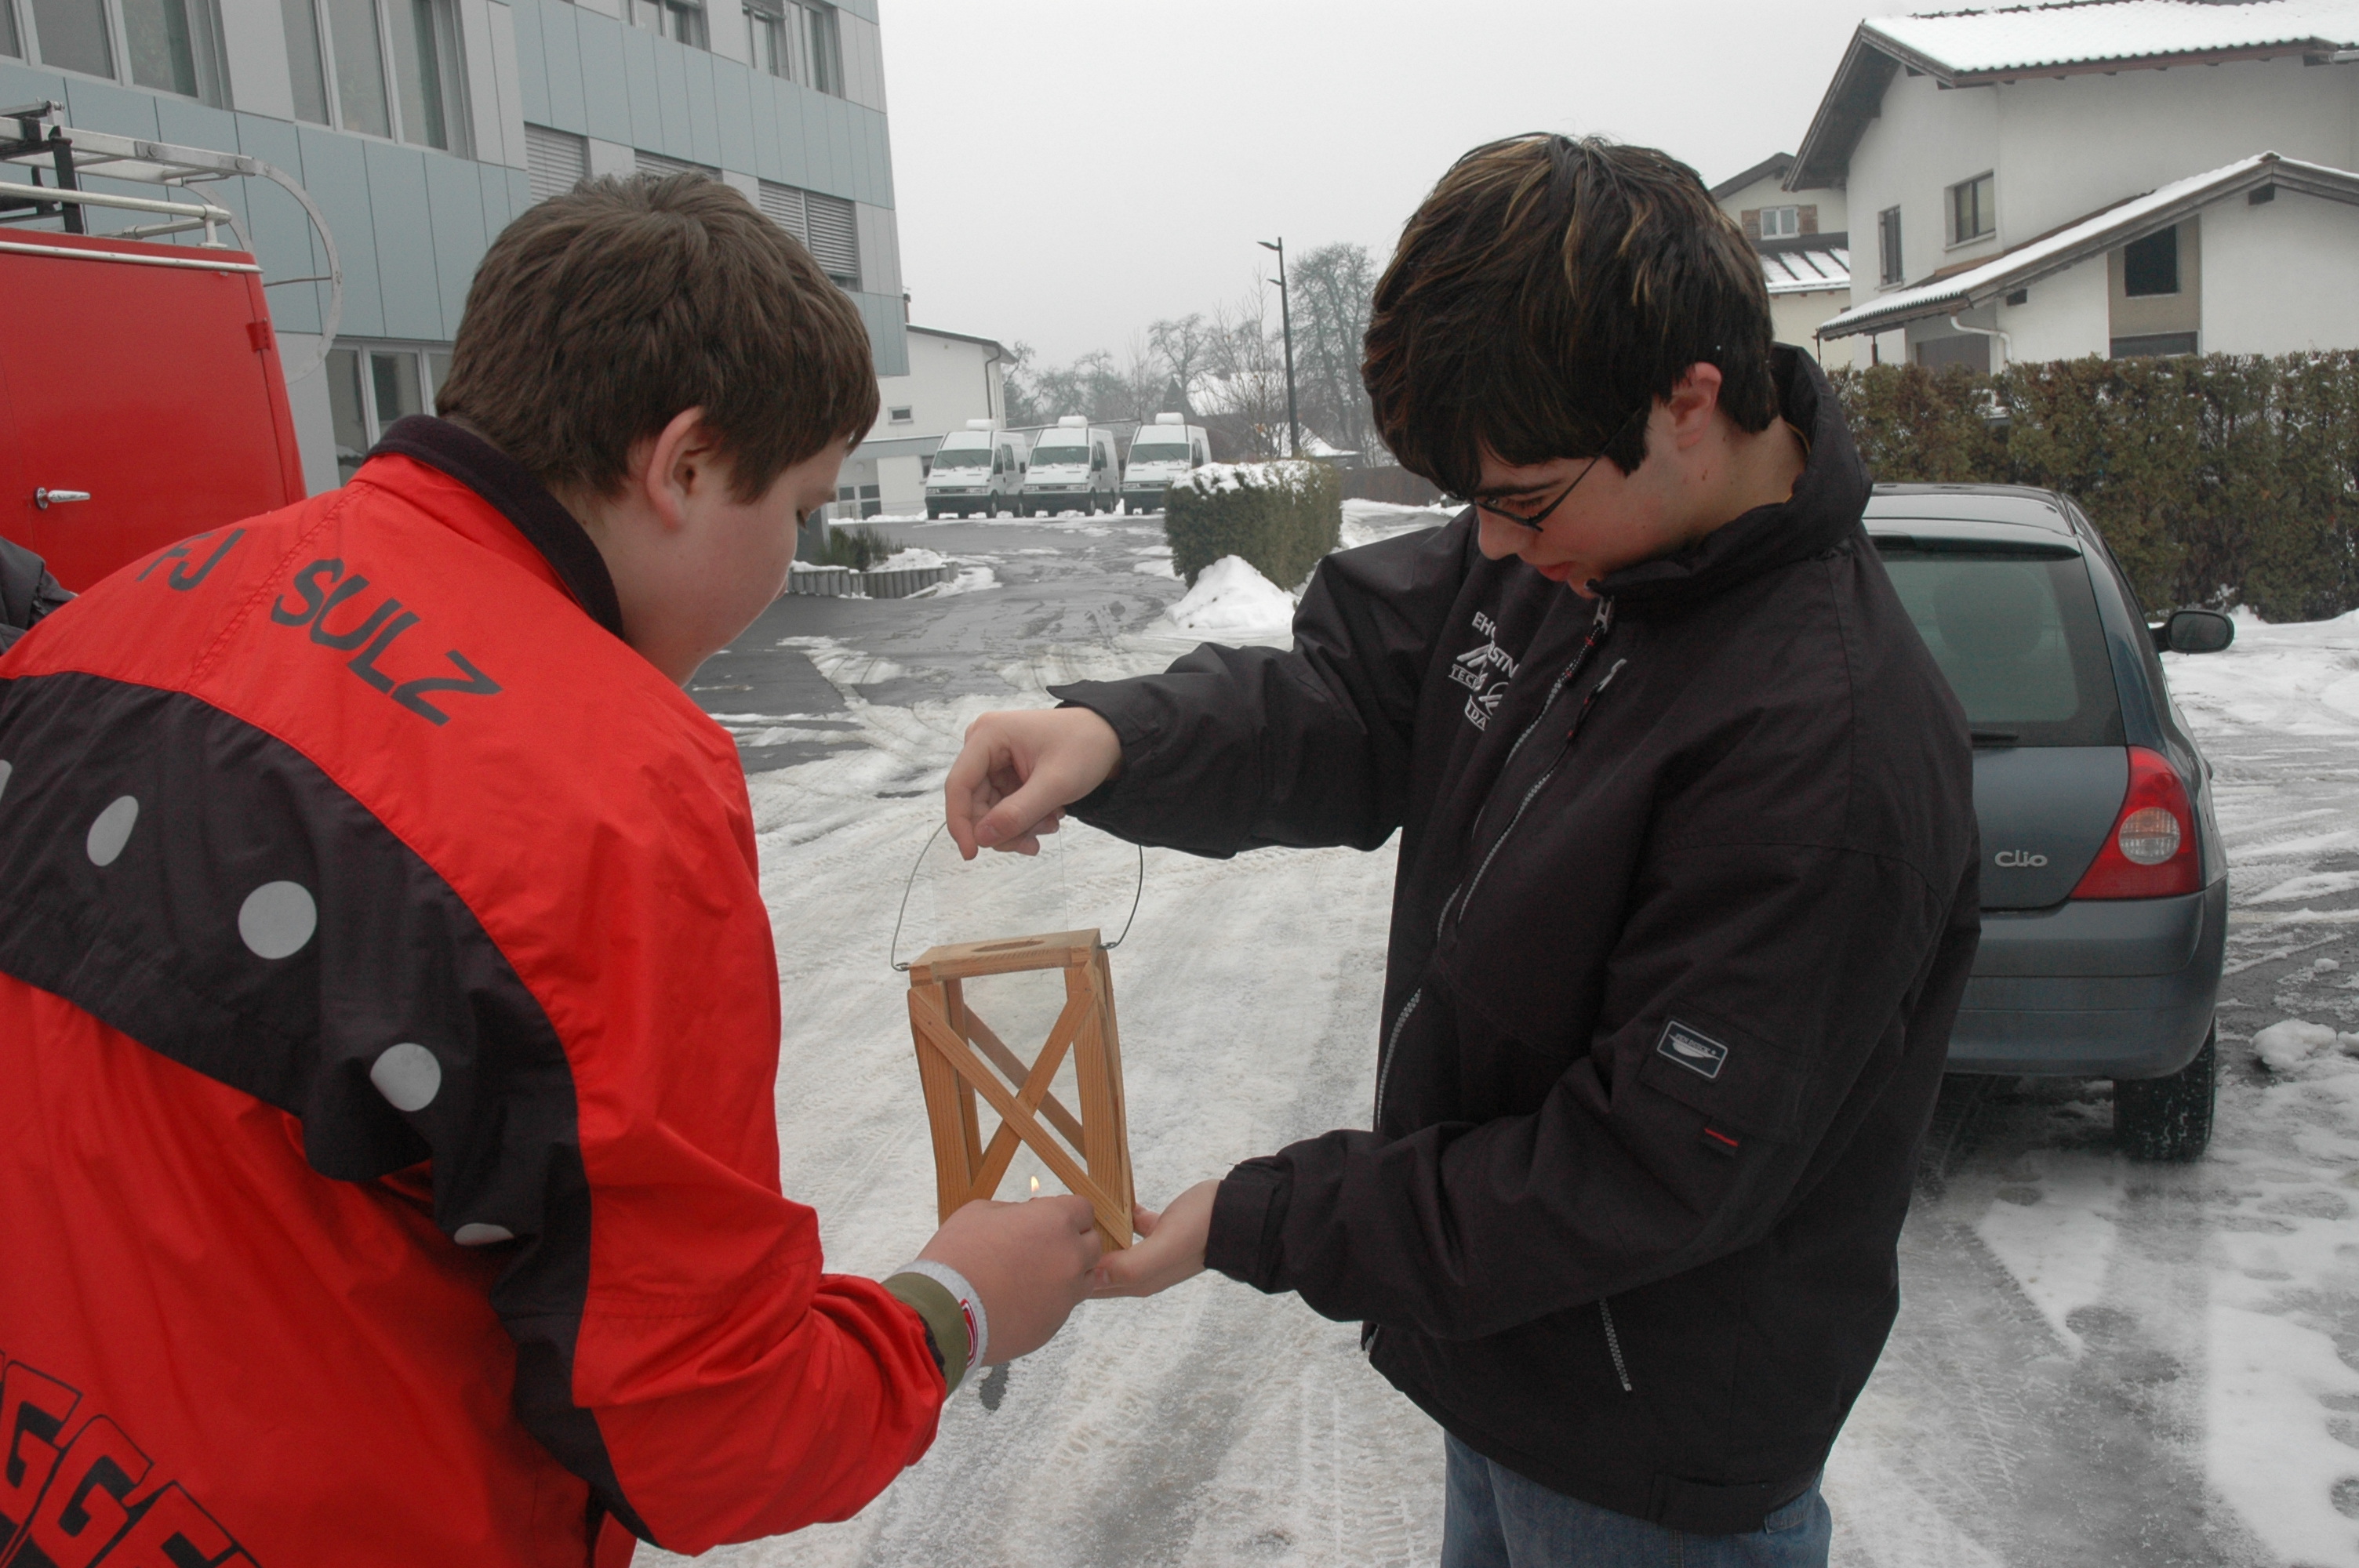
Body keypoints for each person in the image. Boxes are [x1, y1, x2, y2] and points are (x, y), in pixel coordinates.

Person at [0, 174, 1100, 1567]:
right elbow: (705, 1425)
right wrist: (956, 1305)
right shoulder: (611, 790)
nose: (791, 556)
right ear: (685, 466)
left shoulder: (101, 622)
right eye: (801, 509)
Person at [950, 136, 1981, 1567]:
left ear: (1690, 402)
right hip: (1505, 1377)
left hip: (1653, 1468)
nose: (1490, 542)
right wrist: (1117, 737)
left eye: (1521, 497)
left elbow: (1631, 1173)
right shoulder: (1579, 545)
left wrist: (1263, 1218)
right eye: (1472, 499)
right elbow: (1357, 694)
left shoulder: (1829, 752)